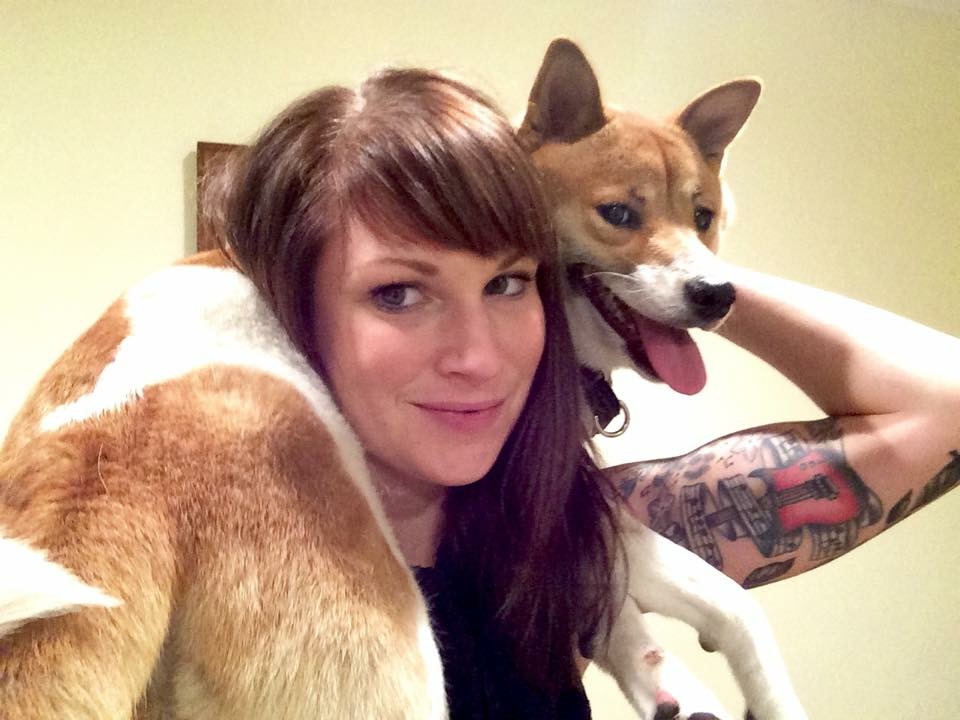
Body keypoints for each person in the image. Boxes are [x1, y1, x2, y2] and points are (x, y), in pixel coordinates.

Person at [218, 66, 960, 718]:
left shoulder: (565, 541)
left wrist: (683, 262)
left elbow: (946, 402)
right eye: (399, 293)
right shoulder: (197, 567)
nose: (476, 356)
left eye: (508, 280)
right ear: (287, 308)